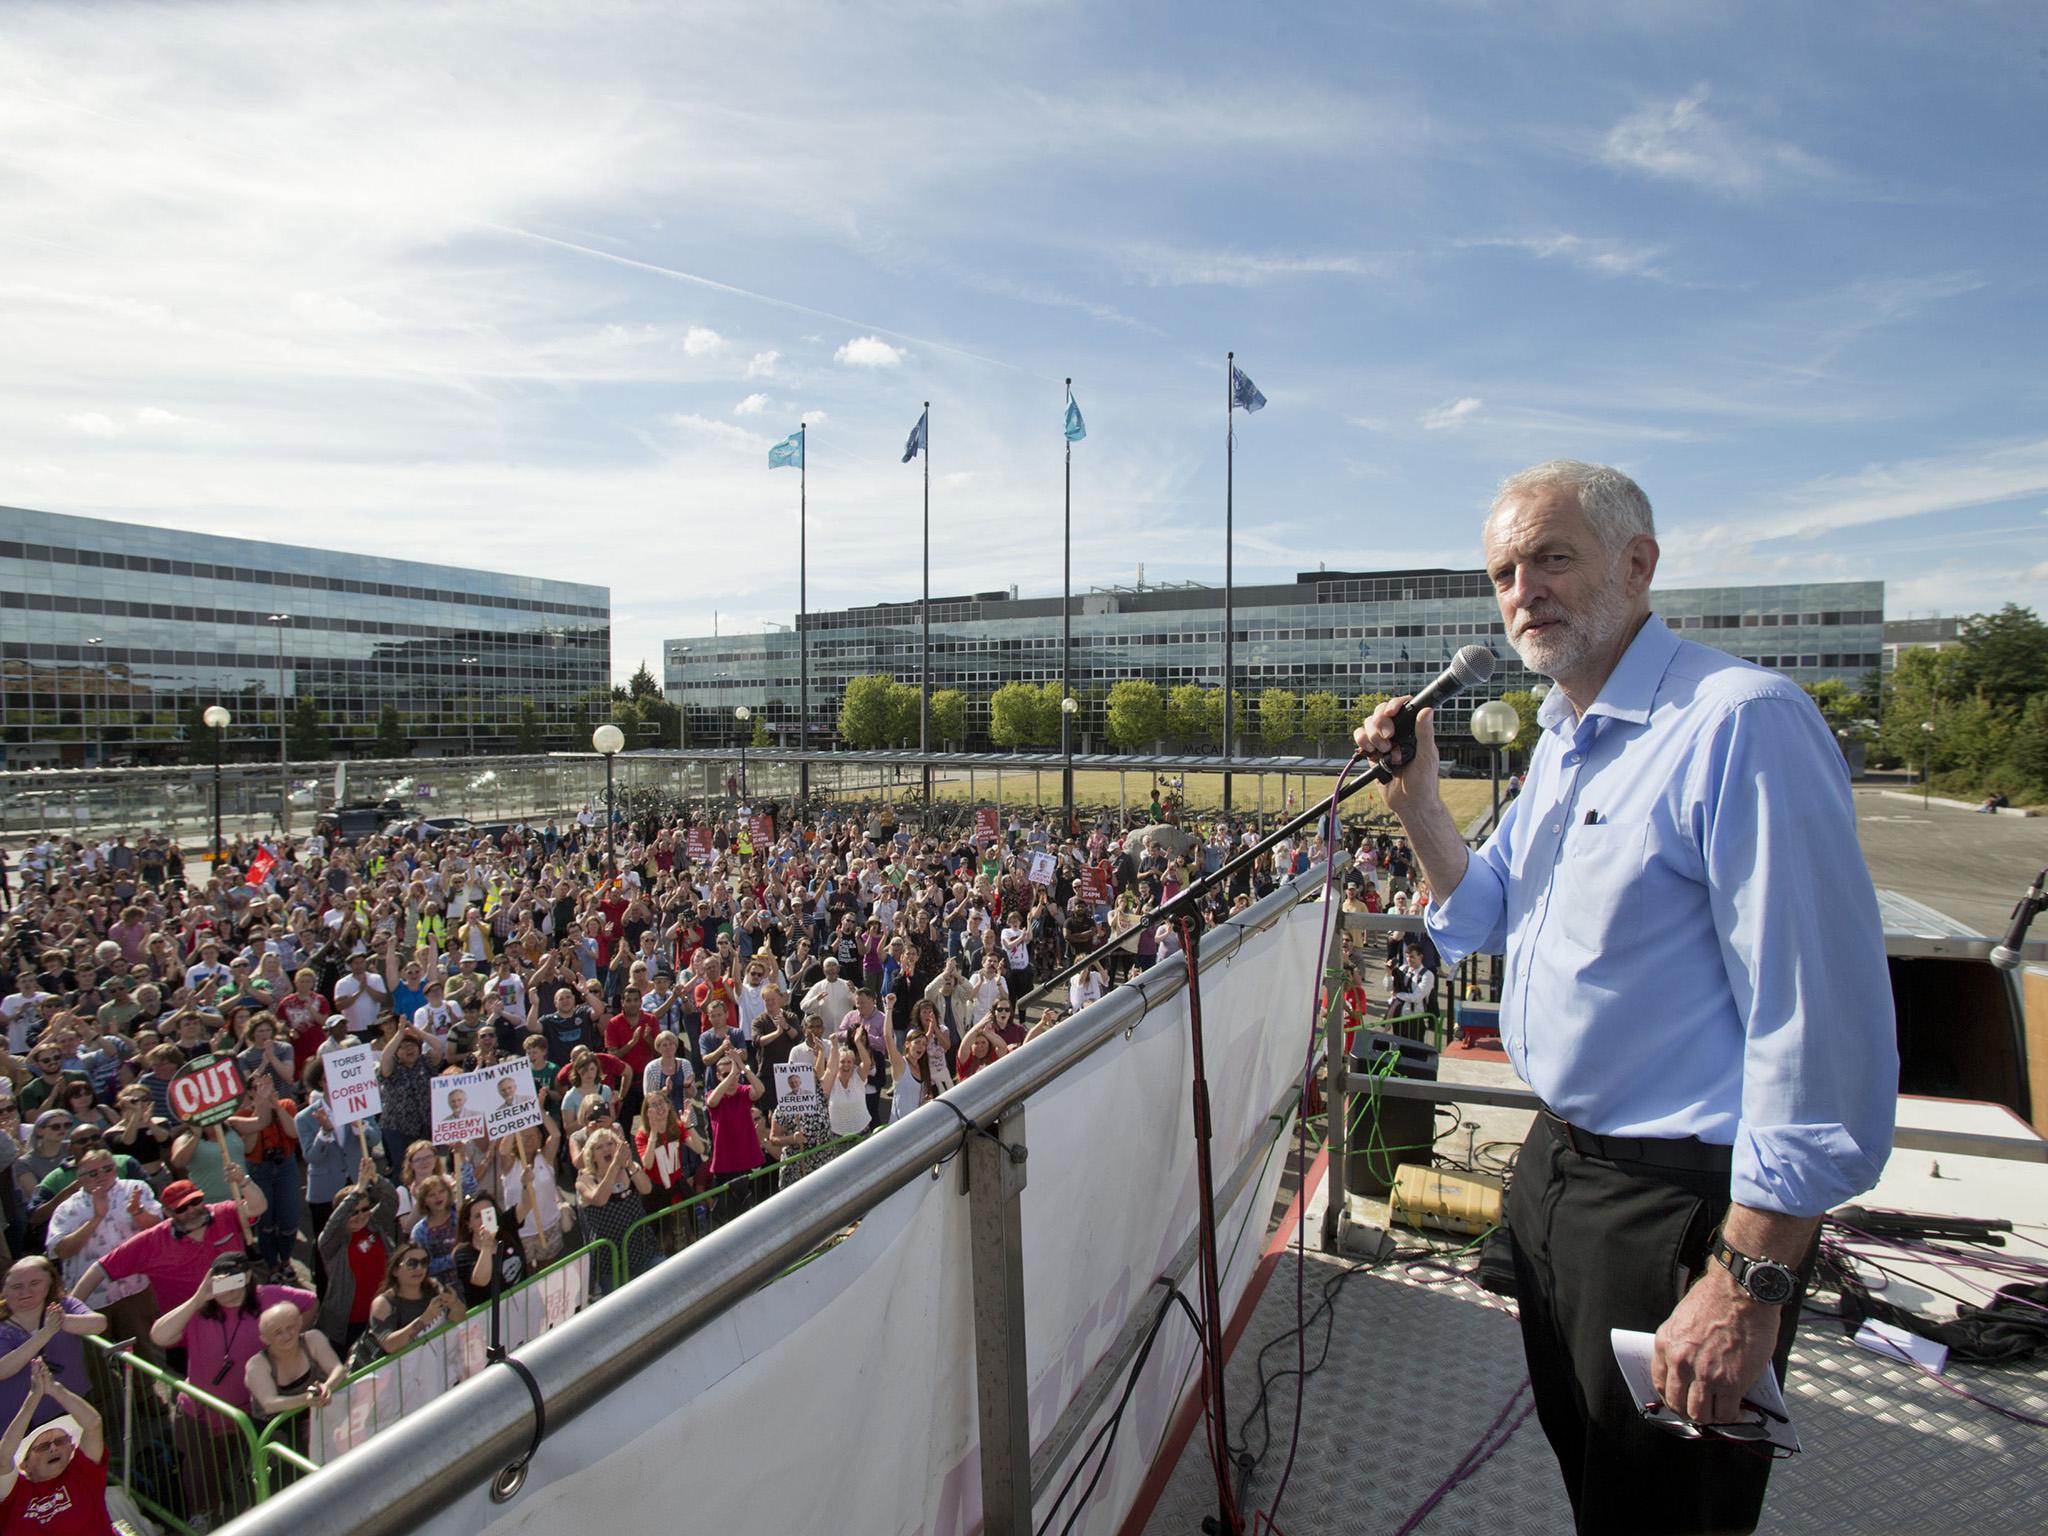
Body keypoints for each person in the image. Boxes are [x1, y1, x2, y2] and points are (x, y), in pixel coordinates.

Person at [1356, 459, 1895, 1536]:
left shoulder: (1739, 723)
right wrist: (1415, 800)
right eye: (1504, 571)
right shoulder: (1560, 737)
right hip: (1559, 1172)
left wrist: (1746, 1280)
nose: (1522, 592)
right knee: (1596, 1480)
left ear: (1637, 564)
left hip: (1676, 1207)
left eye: (1551, 557)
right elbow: (1479, 913)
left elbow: (1816, 1027)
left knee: (1664, 1512)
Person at [149, 1252, 315, 1527]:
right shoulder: (199, 1310)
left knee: (258, 1470)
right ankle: (205, 1516)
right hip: (202, 1412)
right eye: (220, 1283)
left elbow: (309, 1302)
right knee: (201, 1472)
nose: (227, 1290)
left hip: (254, 1411)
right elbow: (159, 1336)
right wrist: (199, 1297)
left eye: (235, 1281)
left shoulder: (268, 1297)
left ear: (248, 1277)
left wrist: (288, 1345)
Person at [0, 1358, 115, 1536]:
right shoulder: (15, 1492)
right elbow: (3, 1458)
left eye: (60, 1441)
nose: (53, 1448)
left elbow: (93, 1424)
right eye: (44, 1446)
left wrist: (54, 1388)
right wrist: (34, 1397)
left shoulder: (82, 1474)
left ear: (71, 1448)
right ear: (25, 1464)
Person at [0, 1259, 106, 1434]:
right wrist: (46, 1332)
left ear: (50, 1282)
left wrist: (62, 1320)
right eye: (17, 1286)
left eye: (35, 1283)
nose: (26, 1292)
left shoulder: (64, 1305)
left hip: (70, 1406)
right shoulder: (3, 1325)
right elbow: (3, 1369)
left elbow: (99, 1324)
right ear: (5, 1289)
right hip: (20, 1420)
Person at [314, 1150, 398, 1358]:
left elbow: (391, 1199)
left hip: (383, 1315)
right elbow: (334, 1223)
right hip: (349, 1323)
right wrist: (358, 1189)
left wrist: (374, 1179)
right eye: (354, 1211)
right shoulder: (332, 1242)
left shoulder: (375, 1224)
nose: (360, 1215)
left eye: (365, 1208)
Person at [243, 1299, 345, 1423]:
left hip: (317, 1417)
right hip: (277, 1427)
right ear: (265, 1339)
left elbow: (337, 1369)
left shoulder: (313, 1338)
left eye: (290, 1327)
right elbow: (269, 1404)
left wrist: (326, 1388)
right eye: (277, 1333)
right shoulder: (257, 1364)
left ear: (300, 1323)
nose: (286, 1336)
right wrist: (307, 1399)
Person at [364, 1242, 466, 1361]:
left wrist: (454, 1304)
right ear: (395, 1270)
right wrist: (426, 1318)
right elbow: (389, 1345)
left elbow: (460, 1318)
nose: (419, 1268)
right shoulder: (384, 1303)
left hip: (439, 1365)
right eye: (412, 1263)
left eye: (424, 1263)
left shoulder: (434, 1287)